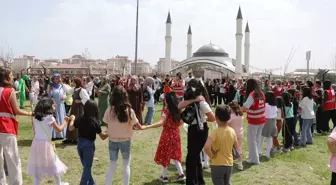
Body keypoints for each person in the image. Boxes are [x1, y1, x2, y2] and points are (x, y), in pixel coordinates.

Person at [178, 78, 215, 185]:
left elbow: (212, 118)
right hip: (193, 129)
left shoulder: (202, 103)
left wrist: (202, 118)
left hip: (200, 129)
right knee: (195, 158)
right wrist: (194, 100)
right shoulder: (191, 101)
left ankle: (192, 182)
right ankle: (199, 181)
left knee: (191, 159)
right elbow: (179, 106)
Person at [104, 86, 144, 185]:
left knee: (112, 166)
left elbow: (107, 125)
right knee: (126, 166)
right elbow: (138, 126)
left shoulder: (109, 110)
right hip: (125, 141)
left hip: (112, 140)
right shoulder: (129, 111)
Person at [143, 91, 185, 182]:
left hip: (167, 134)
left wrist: (147, 126)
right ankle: (181, 174)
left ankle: (165, 176)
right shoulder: (179, 109)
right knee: (175, 154)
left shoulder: (167, 109)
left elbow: (161, 122)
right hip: (176, 134)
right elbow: (182, 122)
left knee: (164, 154)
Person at [0, 67, 33, 185]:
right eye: (11, 75)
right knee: (13, 159)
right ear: (6, 77)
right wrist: (30, 113)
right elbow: (17, 110)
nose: (13, 77)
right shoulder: (10, 92)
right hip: (6, 127)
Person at [26, 97, 69, 185]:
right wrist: (65, 121)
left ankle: (36, 183)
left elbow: (35, 132)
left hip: (36, 143)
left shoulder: (35, 118)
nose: (55, 106)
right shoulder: (50, 118)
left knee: (37, 165)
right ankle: (59, 183)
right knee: (54, 163)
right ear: (48, 107)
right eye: (53, 105)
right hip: (46, 144)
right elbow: (59, 129)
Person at [68, 100, 108, 185]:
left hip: (80, 144)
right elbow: (103, 137)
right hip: (88, 146)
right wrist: (110, 131)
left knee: (86, 167)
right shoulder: (94, 122)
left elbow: (71, 128)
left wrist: (72, 119)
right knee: (87, 168)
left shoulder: (80, 119)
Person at [204, 105, 238, 185]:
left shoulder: (215, 132)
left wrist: (211, 155)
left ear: (216, 118)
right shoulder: (232, 131)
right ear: (229, 118)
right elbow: (236, 147)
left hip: (217, 164)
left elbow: (206, 147)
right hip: (229, 164)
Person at [241, 78, 265, 165]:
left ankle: (254, 159)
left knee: (251, 140)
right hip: (261, 119)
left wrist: (236, 109)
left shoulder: (252, 95)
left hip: (254, 120)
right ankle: (255, 155)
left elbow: (245, 108)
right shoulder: (261, 93)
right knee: (257, 139)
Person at [62, 77, 90, 144]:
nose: (72, 83)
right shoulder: (74, 89)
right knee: (71, 121)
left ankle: (77, 138)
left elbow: (87, 98)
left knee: (77, 122)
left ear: (77, 83)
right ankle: (70, 138)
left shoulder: (82, 90)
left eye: (74, 82)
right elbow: (68, 90)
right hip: (74, 107)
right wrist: (62, 84)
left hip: (79, 108)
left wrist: (80, 101)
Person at [49, 73, 67, 140]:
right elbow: (49, 95)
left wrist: (63, 97)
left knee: (61, 117)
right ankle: (54, 135)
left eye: (57, 78)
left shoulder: (62, 86)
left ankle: (61, 134)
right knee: (55, 118)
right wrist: (50, 91)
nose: (56, 80)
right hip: (54, 105)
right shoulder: (51, 86)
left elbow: (65, 94)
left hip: (61, 105)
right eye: (54, 78)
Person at [260, 91, 278, 159]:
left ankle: (259, 151)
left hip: (266, 121)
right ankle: (267, 153)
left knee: (261, 137)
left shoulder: (266, 105)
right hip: (273, 122)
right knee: (269, 138)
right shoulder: (275, 105)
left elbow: (263, 113)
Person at [228, 101, 244, 170]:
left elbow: (227, 124)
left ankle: (229, 162)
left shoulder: (231, 116)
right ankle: (240, 164)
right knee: (239, 148)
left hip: (232, 134)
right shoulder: (240, 115)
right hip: (240, 133)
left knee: (229, 148)